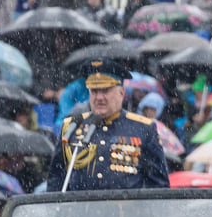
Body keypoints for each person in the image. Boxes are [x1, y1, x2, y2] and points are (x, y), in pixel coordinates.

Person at [47, 59, 169, 193]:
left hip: (126, 212)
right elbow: (56, 181)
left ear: (121, 93)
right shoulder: (73, 126)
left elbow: (158, 187)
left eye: (105, 91)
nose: (99, 97)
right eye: (94, 91)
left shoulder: (143, 128)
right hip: (81, 211)